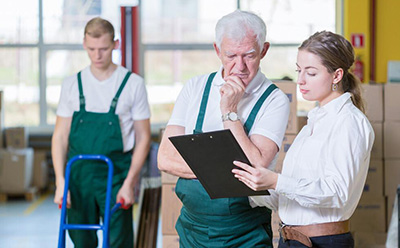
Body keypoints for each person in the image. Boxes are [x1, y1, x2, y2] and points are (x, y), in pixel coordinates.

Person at [158, 10, 290, 247]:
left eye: (249, 55)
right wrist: (226, 171)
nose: (239, 66)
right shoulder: (196, 87)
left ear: (264, 50)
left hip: (244, 232)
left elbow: (258, 165)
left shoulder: (274, 99)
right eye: (231, 55)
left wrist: (229, 111)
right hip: (192, 228)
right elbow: (165, 159)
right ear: (218, 51)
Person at [232, 31, 375, 248]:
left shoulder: (348, 122)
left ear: (336, 76)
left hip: (322, 242)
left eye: (311, 73)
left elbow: (336, 193)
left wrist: (276, 181)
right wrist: (252, 186)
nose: (300, 80)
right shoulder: (313, 124)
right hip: (292, 239)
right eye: (299, 71)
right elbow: (291, 197)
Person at [51, 17, 151, 248]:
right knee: (81, 239)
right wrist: (60, 182)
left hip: (116, 175)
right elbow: (60, 136)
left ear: (115, 44)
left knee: (118, 240)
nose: (97, 55)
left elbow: (144, 138)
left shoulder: (132, 84)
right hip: (78, 176)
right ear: (84, 44)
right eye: (92, 49)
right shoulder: (72, 84)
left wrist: (130, 182)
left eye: (104, 49)